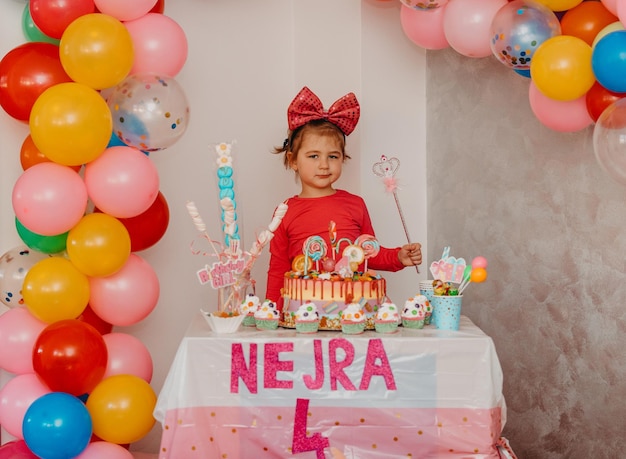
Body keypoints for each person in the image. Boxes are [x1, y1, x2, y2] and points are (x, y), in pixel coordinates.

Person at [265, 86, 422, 310]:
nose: (323, 165)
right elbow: (278, 268)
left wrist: (398, 257)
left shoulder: (355, 204)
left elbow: (369, 253)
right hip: (302, 315)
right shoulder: (285, 211)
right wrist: (271, 310)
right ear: (293, 161)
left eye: (333, 156)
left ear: (343, 159)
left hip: (356, 311)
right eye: (313, 156)